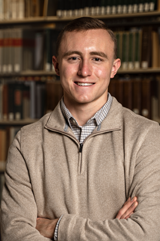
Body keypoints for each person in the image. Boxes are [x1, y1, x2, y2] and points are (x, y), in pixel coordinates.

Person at [1, 17, 160, 241]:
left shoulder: (148, 137)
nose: (84, 71)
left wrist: (57, 228)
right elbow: (14, 233)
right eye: (74, 58)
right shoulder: (25, 142)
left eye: (97, 58)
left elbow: (148, 233)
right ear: (56, 65)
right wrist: (114, 230)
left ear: (114, 68)